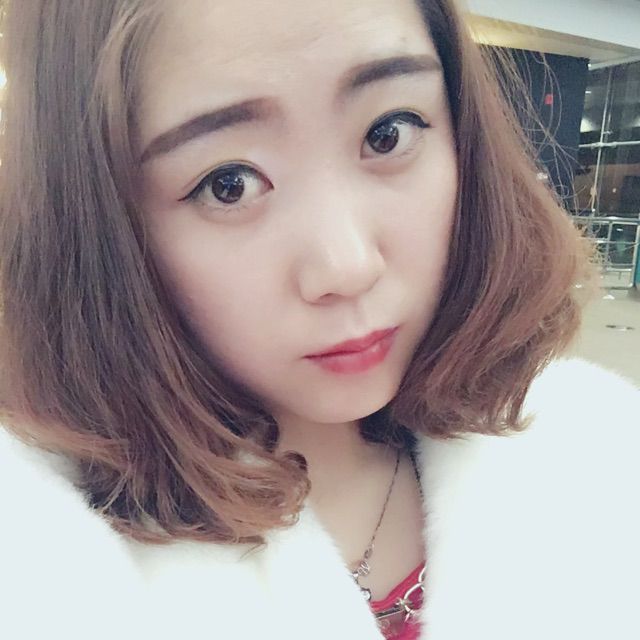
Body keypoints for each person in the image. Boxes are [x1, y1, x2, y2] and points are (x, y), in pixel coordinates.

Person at [0, 0, 638, 639]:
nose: (348, 266)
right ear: (95, 227)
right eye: (228, 184)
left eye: (387, 133)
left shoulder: (593, 460)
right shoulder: (47, 566)